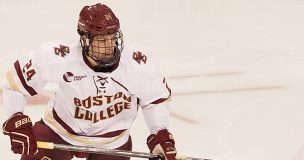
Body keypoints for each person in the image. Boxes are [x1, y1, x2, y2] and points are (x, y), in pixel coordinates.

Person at [1, 3, 177, 160]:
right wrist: (15, 118)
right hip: (60, 131)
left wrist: (159, 133)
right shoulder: (59, 57)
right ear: (85, 39)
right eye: (101, 40)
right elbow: (14, 84)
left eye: (113, 37)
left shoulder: (137, 65)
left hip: (112, 141)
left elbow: (156, 99)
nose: (109, 45)